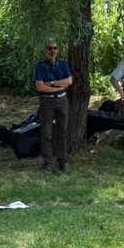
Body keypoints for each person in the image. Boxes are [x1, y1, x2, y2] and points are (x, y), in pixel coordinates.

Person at [34, 39, 72, 172]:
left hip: (62, 101)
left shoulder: (63, 64)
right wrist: (59, 87)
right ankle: (48, 163)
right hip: (47, 102)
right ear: (45, 50)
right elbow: (40, 86)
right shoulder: (40, 66)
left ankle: (62, 161)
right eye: (49, 48)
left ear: (58, 50)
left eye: (55, 48)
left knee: (62, 132)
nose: (52, 51)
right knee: (46, 133)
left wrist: (51, 83)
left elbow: (69, 81)